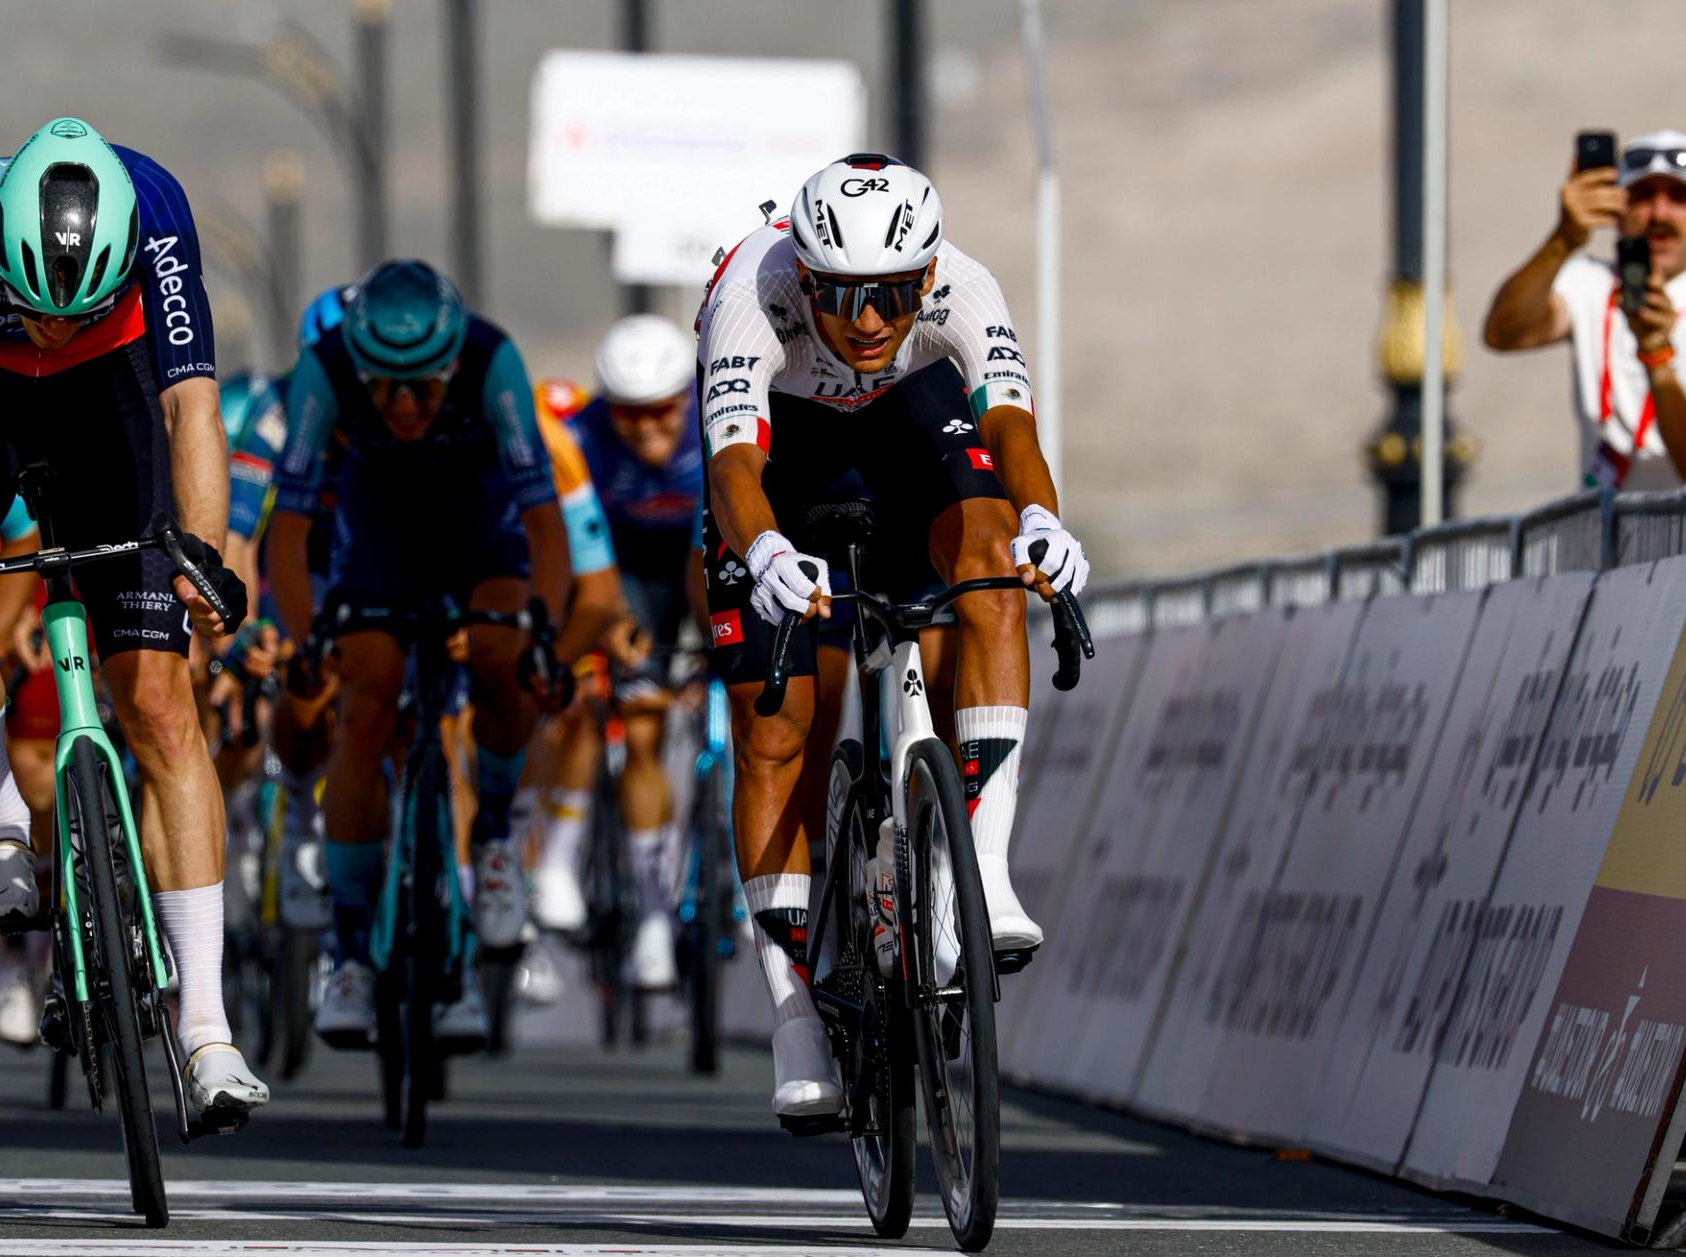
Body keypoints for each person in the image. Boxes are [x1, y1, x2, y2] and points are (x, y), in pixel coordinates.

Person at [0, 117, 268, 1122]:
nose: (54, 325)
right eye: (36, 309)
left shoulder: (159, 209)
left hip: (116, 409)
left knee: (162, 705)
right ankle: (5, 818)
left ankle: (208, 1031)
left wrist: (205, 557)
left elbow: (190, 411)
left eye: (75, 310)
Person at [697, 153, 1089, 1118]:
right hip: (783, 461)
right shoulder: (754, 290)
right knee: (777, 734)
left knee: (994, 556)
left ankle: (984, 878)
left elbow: (1013, 430)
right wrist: (768, 555)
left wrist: (1044, 520)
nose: (868, 322)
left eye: (891, 297)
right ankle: (795, 1014)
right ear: (805, 272)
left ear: (925, 277)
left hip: (910, 435)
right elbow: (736, 468)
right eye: (841, 296)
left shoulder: (967, 284)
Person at [267, 259, 570, 1049]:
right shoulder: (324, 367)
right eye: (385, 388)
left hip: (480, 532)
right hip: (381, 539)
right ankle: (350, 952)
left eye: (424, 388)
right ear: (356, 364)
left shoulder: (491, 356)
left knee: (506, 659)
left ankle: (496, 834)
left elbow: (542, 520)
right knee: (365, 706)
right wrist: (306, 644)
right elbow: (291, 534)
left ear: (452, 363)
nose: (403, 405)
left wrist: (543, 627)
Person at [529, 315, 706, 988]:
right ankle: (635, 909)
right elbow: (579, 548)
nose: (647, 428)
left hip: (693, 559)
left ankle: (677, 909)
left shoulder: (714, 423)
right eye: (629, 414)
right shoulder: (582, 438)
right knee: (637, 725)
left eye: (662, 410)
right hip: (617, 567)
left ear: (685, 399)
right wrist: (610, 626)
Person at [1482, 129, 1686, 492]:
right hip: (1606, 538)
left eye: (1680, 195)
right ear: (1617, 209)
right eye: (1641, 195)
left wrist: (1657, 354)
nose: (1659, 212)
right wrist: (1563, 239)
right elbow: (1502, 334)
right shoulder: (1588, 282)